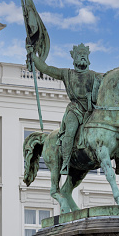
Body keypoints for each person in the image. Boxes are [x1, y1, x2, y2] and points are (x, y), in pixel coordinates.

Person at [28, 43, 103, 175]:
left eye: (85, 55)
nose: (83, 57)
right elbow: (46, 68)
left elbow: (110, 88)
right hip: (75, 110)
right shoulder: (67, 73)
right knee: (70, 132)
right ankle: (65, 163)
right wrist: (33, 57)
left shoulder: (95, 76)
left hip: (91, 111)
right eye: (80, 55)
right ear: (74, 58)